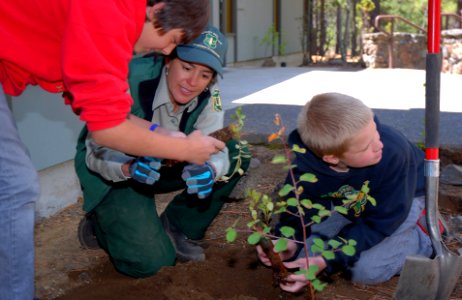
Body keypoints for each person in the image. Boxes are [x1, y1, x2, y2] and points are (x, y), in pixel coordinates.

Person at [0, 1, 221, 299]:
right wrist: (181, 152)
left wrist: (165, 136)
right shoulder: (110, 11)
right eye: (172, 41)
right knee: (14, 186)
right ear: (158, 12)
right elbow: (105, 130)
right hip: (111, 173)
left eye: (205, 74)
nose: (168, 51)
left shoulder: (114, 24)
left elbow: (118, 117)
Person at [75, 26, 251, 278]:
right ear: (169, 60)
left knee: (237, 151)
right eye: (187, 67)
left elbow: (216, 145)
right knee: (154, 263)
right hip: (114, 167)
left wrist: (210, 169)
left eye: (204, 74)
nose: (193, 82)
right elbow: (96, 149)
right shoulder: (131, 78)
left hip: (167, 161)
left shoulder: (212, 95)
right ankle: (101, 223)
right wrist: (128, 167)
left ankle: (177, 226)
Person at [257, 93, 434, 293]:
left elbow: (381, 222)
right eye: (366, 146)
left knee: (366, 270)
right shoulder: (304, 168)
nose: (379, 144)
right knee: (305, 254)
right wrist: (287, 241)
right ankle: (351, 232)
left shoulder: (392, 153)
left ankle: (425, 236)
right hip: (352, 201)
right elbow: (298, 210)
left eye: (376, 130)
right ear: (332, 158)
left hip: (404, 196)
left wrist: (329, 258)